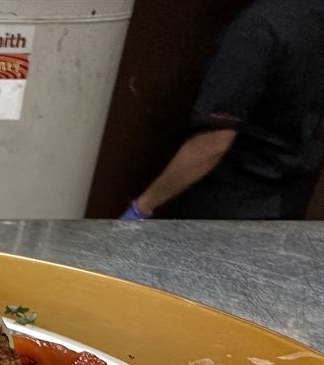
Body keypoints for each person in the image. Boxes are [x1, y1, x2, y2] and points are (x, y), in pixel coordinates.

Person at [123, 0, 324, 220]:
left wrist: (143, 207)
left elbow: (214, 141)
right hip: (288, 202)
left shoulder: (257, 29)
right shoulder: (312, 16)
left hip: (229, 205)